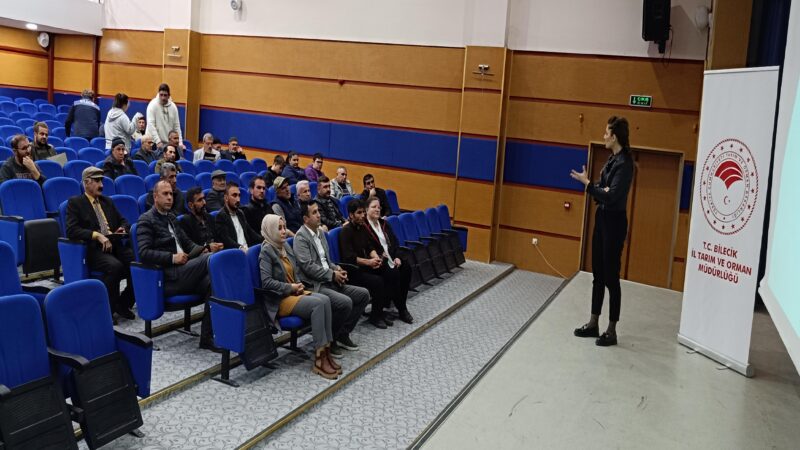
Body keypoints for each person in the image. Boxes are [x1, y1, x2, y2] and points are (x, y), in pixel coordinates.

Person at [570, 116, 635, 347]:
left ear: (614, 136)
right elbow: (603, 188)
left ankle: (611, 330)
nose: (604, 136)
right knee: (597, 274)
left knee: (611, 277)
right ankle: (593, 323)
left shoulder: (625, 164)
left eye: (606, 133)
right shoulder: (612, 160)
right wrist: (596, 187)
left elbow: (611, 194)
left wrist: (589, 185)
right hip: (602, 218)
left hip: (615, 223)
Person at [137, 180, 216, 351]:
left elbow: (188, 244)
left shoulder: (171, 217)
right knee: (212, 259)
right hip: (169, 277)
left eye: (171, 194)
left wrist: (205, 248)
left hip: (186, 272)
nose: (169, 197)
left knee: (213, 283)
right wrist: (172, 258)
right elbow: (144, 253)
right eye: (165, 194)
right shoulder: (146, 220)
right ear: (155, 197)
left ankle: (207, 337)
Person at [259, 215, 341, 379]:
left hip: (293, 293)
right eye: (279, 228)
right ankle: (319, 358)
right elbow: (266, 282)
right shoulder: (266, 251)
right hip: (280, 300)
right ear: (270, 230)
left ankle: (326, 351)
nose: (284, 231)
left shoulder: (285, 247)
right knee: (318, 305)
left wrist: (298, 284)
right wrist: (290, 287)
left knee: (325, 300)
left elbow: (295, 271)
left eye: (284, 227)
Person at [293, 200, 369, 355]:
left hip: (330, 280)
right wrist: (332, 275)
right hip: (316, 285)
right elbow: (308, 267)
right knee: (345, 302)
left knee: (363, 295)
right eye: (314, 212)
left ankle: (342, 334)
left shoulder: (320, 233)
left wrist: (336, 268)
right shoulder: (300, 238)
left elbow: (327, 261)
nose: (319, 215)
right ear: (305, 219)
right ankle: (331, 340)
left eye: (318, 211)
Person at [66, 166, 135, 321]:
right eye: (97, 181)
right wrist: (96, 235)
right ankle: (106, 310)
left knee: (138, 263)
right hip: (94, 249)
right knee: (115, 267)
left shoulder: (107, 201)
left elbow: (124, 221)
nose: (101, 185)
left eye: (101, 181)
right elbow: (72, 230)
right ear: (86, 183)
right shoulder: (75, 203)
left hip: (114, 244)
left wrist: (122, 228)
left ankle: (123, 303)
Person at [362, 196, 413, 324]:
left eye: (379, 207)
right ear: (366, 209)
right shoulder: (364, 227)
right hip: (377, 262)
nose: (377, 209)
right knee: (393, 273)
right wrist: (380, 257)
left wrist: (397, 257)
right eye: (374, 207)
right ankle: (402, 309)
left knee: (406, 268)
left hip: (391, 258)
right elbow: (366, 247)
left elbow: (395, 243)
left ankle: (399, 305)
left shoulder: (384, 224)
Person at [215, 182, 261, 251]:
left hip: (247, 250)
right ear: (226, 198)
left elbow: (250, 232)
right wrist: (240, 248)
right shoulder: (220, 216)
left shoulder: (240, 213)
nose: (238, 199)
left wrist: (264, 240)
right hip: (235, 252)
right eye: (234, 195)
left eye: (239, 195)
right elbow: (226, 240)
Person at [180, 187, 224, 253]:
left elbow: (219, 239)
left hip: (216, 253)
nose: (204, 203)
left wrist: (220, 245)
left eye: (204, 198)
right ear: (191, 205)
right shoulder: (185, 222)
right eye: (200, 200)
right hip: (201, 256)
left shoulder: (210, 218)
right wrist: (208, 248)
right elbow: (190, 248)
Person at [146, 83, 184, 154]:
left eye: (165, 95)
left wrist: (180, 142)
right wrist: (158, 141)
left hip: (168, 143)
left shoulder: (173, 107)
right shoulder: (152, 105)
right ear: (158, 94)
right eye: (161, 95)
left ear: (169, 95)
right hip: (154, 142)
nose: (163, 98)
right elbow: (151, 125)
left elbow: (177, 126)